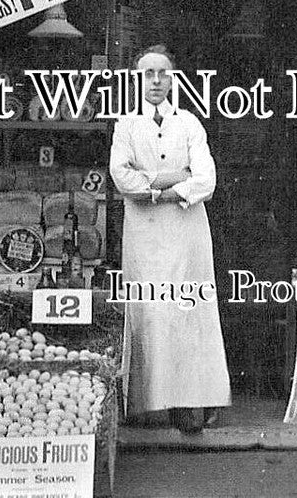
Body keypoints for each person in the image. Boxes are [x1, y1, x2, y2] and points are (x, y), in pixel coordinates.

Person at [109, 45, 232, 433]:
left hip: (186, 234)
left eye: (163, 73)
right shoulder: (126, 125)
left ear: (173, 79)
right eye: (148, 73)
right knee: (149, 312)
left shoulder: (190, 124)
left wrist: (157, 188)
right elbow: (120, 177)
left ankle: (189, 406)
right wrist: (171, 180)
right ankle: (146, 405)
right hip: (145, 236)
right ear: (136, 79)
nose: (156, 81)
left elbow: (206, 180)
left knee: (187, 313)